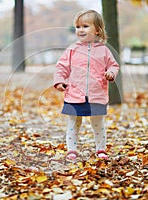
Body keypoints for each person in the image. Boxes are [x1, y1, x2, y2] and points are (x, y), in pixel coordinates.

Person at [54, 10, 119, 161]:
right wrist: (59, 80)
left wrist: (111, 73)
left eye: (85, 26)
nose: (80, 30)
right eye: (77, 27)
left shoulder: (104, 50)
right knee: (73, 122)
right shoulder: (72, 49)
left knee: (98, 123)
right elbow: (61, 67)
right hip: (74, 94)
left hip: (97, 95)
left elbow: (114, 65)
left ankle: (101, 149)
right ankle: (72, 150)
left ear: (97, 30)